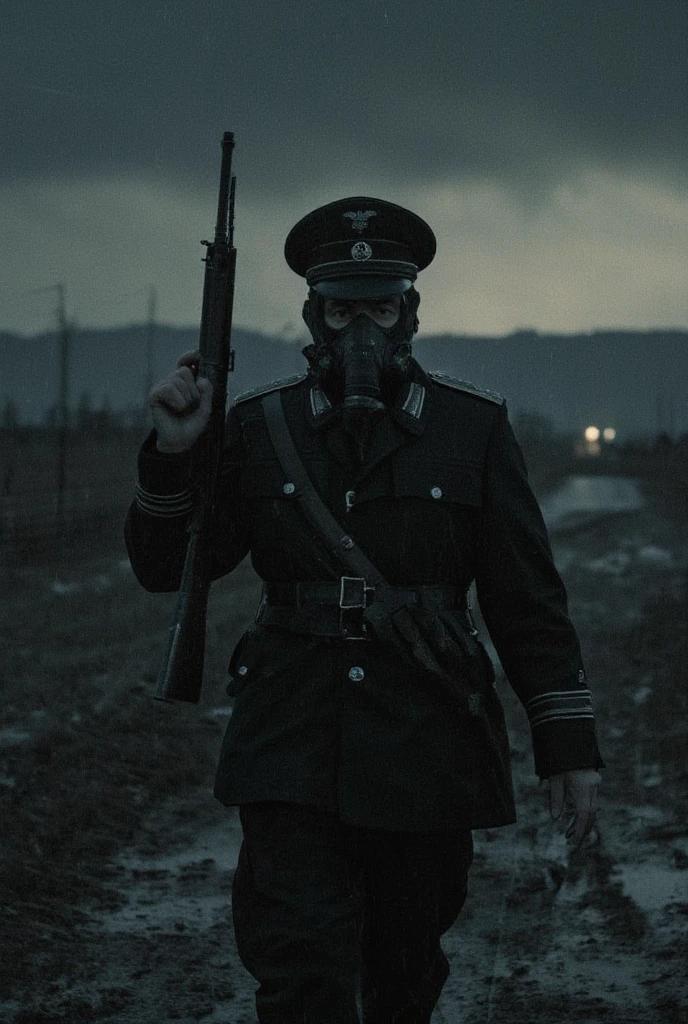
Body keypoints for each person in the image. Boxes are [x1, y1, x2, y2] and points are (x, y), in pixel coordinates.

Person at [125, 197, 604, 1024]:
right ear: (314, 313)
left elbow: (527, 602)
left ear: (409, 313)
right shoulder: (259, 427)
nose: (360, 332)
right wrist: (176, 452)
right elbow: (168, 571)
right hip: (291, 742)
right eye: (341, 309)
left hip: (426, 739)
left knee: (404, 971)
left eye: (379, 307)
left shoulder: (472, 428)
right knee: (301, 971)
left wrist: (567, 746)